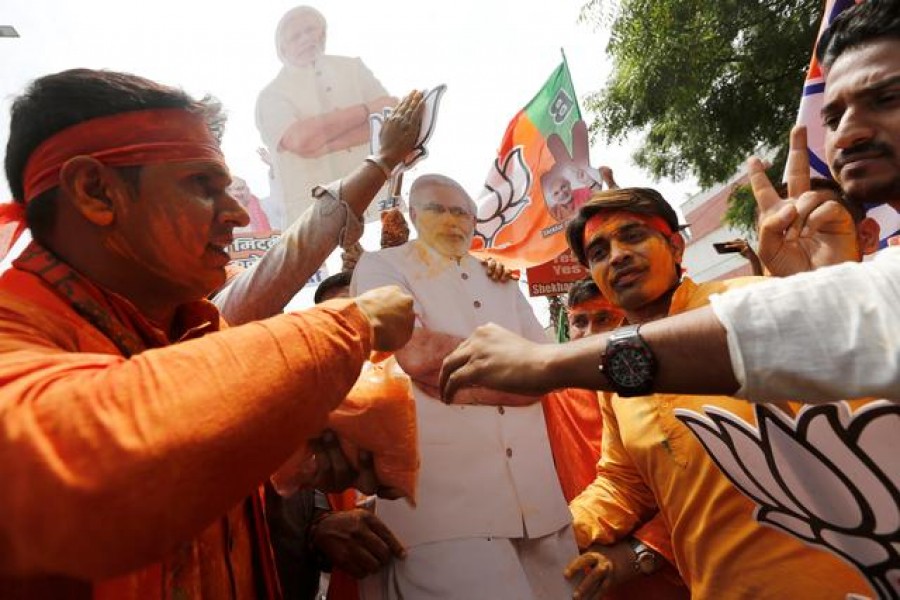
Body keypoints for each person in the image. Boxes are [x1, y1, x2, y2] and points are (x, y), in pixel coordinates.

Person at [0, 68, 415, 598]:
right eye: (202, 185)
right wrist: (346, 327)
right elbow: (78, 461)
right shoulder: (16, 326)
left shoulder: (198, 330)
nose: (237, 213)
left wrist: (287, 451)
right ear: (96, 191)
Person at [446, 188, 876, 598]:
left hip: (848, 581)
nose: (617, 256)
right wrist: (545, 534)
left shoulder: (745, 302)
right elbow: (624, 485)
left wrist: (823, 284)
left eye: (633, 236)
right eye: (598, 253)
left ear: (675, 247)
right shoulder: (613, 377)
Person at [352, 174, 575, 599]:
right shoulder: (384, 266)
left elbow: (549, 370)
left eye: (461, 212)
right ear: (415, 215)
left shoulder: (500, 277)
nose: (451, 220)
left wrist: (457, 380)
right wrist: (519, 370)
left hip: (539, 503)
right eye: (437, 209)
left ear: (474, 222)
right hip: (446, 512)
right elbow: (414, 354)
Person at [215, 90, 425, 325]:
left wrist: (377, 264)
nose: (236, 216)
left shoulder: (221, 279)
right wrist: (384, 158)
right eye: (199, 186)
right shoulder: (207, 323)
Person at [543, 279, 687, 600]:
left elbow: (696, 490)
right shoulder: (554, 396)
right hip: (586, 574)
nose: (590, 334)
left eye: (603, 320)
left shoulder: (673, 385)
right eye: (580, 322)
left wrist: (638, 553)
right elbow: (622, 486)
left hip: (679, 575)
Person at [256, 5, 396, 228]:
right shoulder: (272, 95)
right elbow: (302, 140)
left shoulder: (353, 68)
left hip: (375, 204)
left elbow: (391, 118)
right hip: (315, 218)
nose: (306, 39)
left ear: (323, 33)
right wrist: (366, 110)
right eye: (296, 36)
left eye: (311, 30)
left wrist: (327, 142)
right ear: (281, 48)